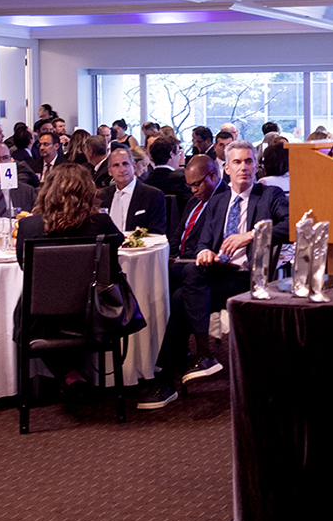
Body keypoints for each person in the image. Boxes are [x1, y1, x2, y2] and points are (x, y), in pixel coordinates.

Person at [15, 162, 124, 400]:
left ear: (48, 191)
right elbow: (113, 268)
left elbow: (25, 267)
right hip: (93, 314)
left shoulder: (29, 226)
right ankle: (73, 374)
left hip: (41, 318)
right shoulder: (101, 224)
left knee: (26, 310)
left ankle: (69, 374)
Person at [183, 140, 287, 383]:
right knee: (186, 274)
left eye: (249, 161)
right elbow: (203, 242)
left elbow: (289, 225)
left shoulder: (269, 194)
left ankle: (186, 362)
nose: (244, 167)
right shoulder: (218, 201)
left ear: (256, 166)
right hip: (219, 270)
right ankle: (190, 360)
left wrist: (251, 235)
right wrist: (204, 253)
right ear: (226, 168)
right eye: (237, 162)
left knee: (181, 296)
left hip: (247, 275)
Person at [99, 144, 168, 235]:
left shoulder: (153, 195)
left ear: (134, 166)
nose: (122, 169)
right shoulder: (101, 196)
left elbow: (156, 233)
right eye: (116, 165)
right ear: (109, 171)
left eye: (125, 164)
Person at [143, 135, 188, 214]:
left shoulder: (145, 183)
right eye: (178, 153)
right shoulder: (181, 180)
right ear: (171, 154)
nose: (179, 157)